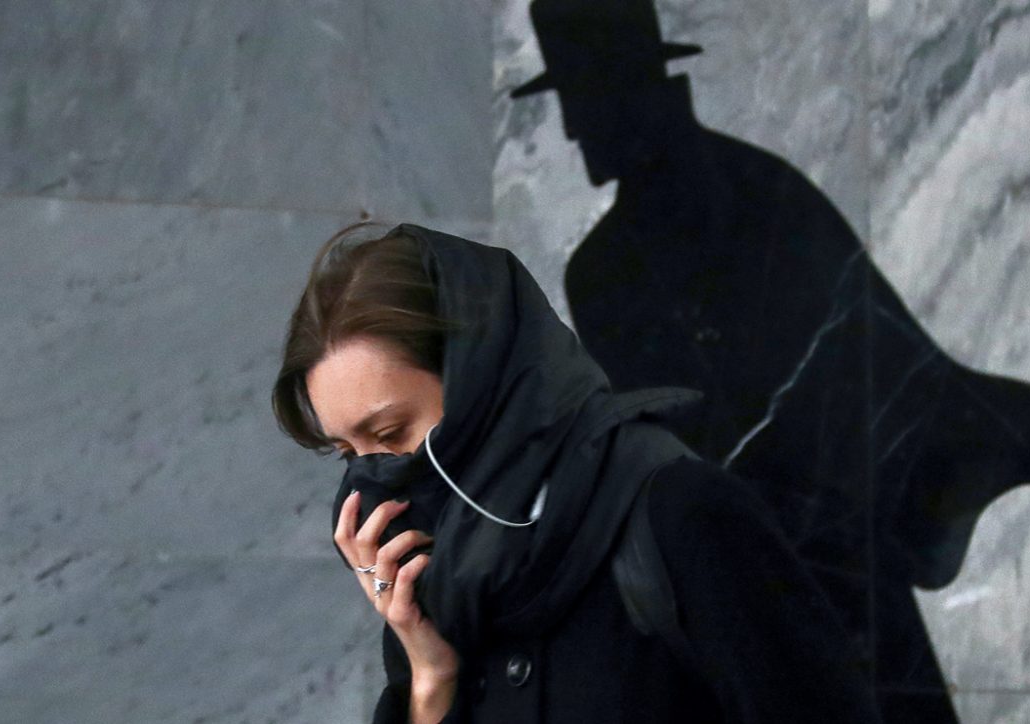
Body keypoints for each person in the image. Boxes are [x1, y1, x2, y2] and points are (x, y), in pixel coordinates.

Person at [271, 220, 883, 723]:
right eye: (348, 453)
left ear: (483, 385)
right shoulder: (438, 588)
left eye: (390, 434)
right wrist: (430, 679)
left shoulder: (680, 516)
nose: (373, 478)